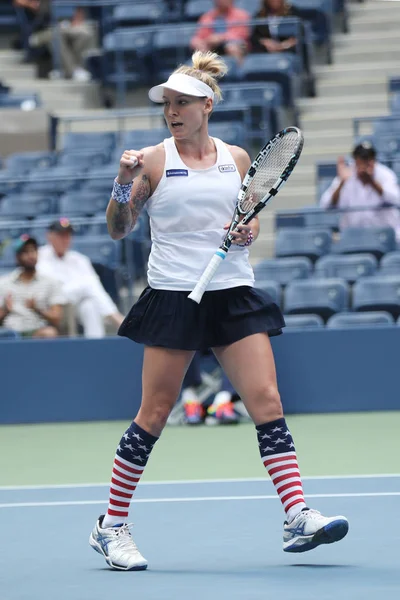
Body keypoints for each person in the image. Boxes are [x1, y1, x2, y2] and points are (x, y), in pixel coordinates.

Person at [89, 50, 349, 571]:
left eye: (183, 102)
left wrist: (246, 233)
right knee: (155, 414)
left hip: (231, 290)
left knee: (267, 401)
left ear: (207, 105)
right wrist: (122, 180)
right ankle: (111, 526)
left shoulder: (236, 159)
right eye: (167, 103)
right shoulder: (156, 161)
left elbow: (244, 222)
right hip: (173, 296)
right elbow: (119, 228)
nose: (172, 110)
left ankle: (296, 515)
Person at [37, 218, 124, 338]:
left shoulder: (79, 259)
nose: (65, 239)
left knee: (90, 305)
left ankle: (95, 347)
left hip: (75, 303)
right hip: (51, 303)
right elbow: (51, 286)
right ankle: (117, 319)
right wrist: (80, 286)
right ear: (49, 236)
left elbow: (95, 288)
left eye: (68, 235)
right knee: (88, 285)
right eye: (61, 235)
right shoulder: (40, 256)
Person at [320, 142, 400, 241]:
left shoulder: (385, 174)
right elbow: (325, 206)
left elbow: (397, 200)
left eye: (369, 158)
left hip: (384, 238)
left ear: (374, 160)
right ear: (355, 160)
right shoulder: (346, 175)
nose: (365, 162)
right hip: (355, 240)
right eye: (362, 159)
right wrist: (341, 183)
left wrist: (372, 182)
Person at [0, 234, 63, 338]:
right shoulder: (3, 283)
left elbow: (57, 318)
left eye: (33, 251)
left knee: (49, 333)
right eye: (25, 252)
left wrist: (38, 309)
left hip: (37, 331)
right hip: (10, 332)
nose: (30, 255)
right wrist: (5, 310)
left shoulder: (50, 282)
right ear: (17, 257)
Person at [28, 4, 95, 81]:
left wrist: (73, 23)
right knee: (56, 37)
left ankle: (72, 70)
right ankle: (73, 71)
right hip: (46, 29)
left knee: (84, 34)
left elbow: (79, 15)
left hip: (66, 28)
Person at [190, 0, 250, 65]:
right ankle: (205, 73)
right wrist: (199, 42)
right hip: (212, 45)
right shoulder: (207, 16)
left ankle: (238, 72)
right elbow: (199, 36)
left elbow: (242, 34)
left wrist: (221, 37)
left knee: (232, 48)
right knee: (201, 49)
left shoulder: (241, 14)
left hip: (236, 44)